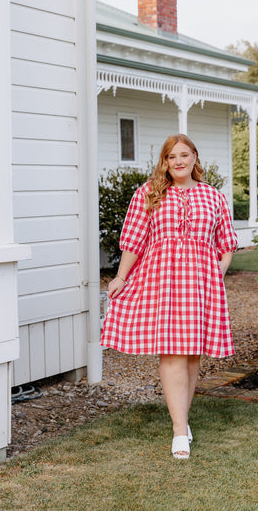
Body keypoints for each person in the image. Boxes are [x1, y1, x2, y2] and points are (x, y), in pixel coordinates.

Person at [100, 134, 238, 459]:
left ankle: (182, 419)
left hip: (201, 283)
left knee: (191, 356)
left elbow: (227, 242)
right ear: (165, 161)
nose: (178, 161)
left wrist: (219, 270)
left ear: (194, 157)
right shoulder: (149, 193)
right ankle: (179, 432)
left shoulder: (213, 197)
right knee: (174, 354)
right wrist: (120, 277)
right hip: (164, 282)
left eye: (184, 155)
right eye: (172, 156)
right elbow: (133, 240)